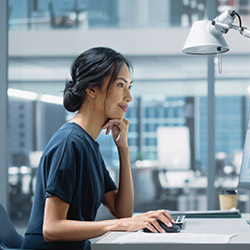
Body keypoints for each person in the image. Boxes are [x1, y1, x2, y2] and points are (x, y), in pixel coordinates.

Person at [21, 47, 174, 250]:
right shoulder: (69, 143)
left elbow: (122, 211)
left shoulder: (88, 144)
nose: (129, 97)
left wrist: (123, 149)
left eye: (129, 86)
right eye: (121, 85)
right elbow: (52, 228)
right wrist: (122, 225)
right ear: (92, 89)